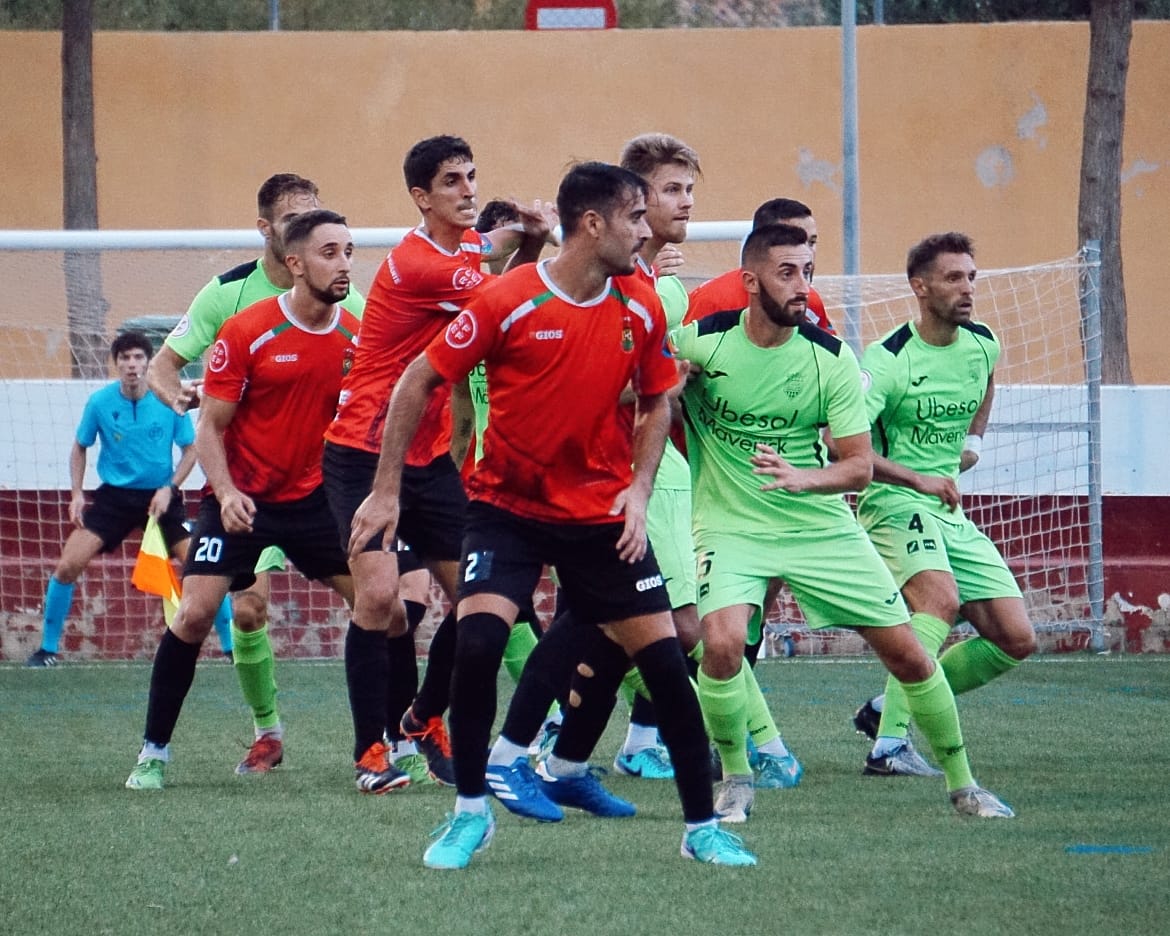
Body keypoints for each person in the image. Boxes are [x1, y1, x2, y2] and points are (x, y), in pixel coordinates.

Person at [349, 161, 758, 870]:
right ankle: (470, 812)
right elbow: (420, 380)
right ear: (594, 224)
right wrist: (385, 491)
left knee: (666, 664)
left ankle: (701, 830)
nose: (646, 230)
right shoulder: (505, 301)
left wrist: (637, 488)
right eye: (636, 216)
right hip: (505, 511)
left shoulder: (641, 306)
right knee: (477, 646)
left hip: (600, 517)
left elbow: (658, 399)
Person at [672, 221, 1014, 822]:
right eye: (787, 272)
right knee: (720, 645)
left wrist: (805, 478)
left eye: (808, 271)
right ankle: (735, 777)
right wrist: (668, 387)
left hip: (820, 527)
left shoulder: (831, 360)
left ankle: (964, 786)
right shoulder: (699, 344)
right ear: (750, 281)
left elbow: (856, 467)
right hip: (731, 528)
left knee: (910, 655)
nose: (802, 285)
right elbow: (632, 390)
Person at [322, 136, 555, 789]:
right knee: (377, 598)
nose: (467, 188)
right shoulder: (423, 264)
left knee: (483, 597)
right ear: (421, 197)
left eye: (472, 176)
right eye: (452, 180)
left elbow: (499, 254)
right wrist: (547, 246)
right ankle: (372, 754)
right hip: (364, 454)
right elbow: (511, 299)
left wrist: (530, 235)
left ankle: (423, 718)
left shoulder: (461, 250)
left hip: (426, 457)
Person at [124, 210, 365, 792]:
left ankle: (387, 747)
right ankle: (153, 753)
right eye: (330, 253)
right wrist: (227, 492)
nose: (345, 265)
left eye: (349, 252)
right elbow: (208, 427)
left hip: (314, 499)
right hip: (242, 500)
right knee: (196, 614)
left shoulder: (357, 332)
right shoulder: (245, 327)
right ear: (295, 261)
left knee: (384, 606)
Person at [850, 231, 1035, 776]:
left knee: (1015, 638)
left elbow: (987, 384)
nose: (968, 288)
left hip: (946, 508)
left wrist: (972, 445)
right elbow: (848, 446)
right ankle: (888, 746)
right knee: (938, 600)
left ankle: (890, 703)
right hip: (890, 501)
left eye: (972, 277)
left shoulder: (982, 344)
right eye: (954, 278)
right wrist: (917, 478)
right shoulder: (887, 359)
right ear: (920, 287)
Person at [25, 331, 196, 667]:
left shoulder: (169, 399)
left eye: (138, 358)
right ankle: (47, 649)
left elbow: (191, 450)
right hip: (114, 499)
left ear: (148, 363)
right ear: (116, 364)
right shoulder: (100, 403)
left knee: (200, 567)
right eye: (125, 358)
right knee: (68, 564)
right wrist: (76, 494)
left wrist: (170, 488)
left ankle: (232, 647)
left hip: (161, 497)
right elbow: (80, 447)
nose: (132, 365)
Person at [684, 196, 833, 333]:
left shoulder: (809, 302)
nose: (805, 252)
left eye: (811, 242)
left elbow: (829, 357)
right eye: (793, 242)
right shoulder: (713, 301)